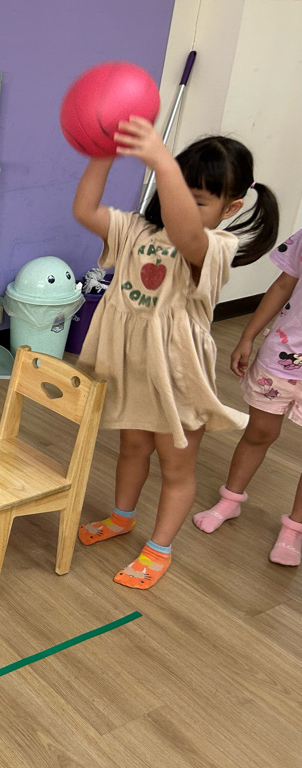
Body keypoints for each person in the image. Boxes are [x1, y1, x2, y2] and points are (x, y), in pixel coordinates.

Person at [71, 118, 279, 589]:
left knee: (176, 464)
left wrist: (163, 164)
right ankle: (122, 517)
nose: (174, 202)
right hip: (132, 368)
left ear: (231, 208)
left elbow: (187, 237)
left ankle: (160, 548)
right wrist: (102, 151)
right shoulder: (135, 231)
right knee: (132, 448)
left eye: (194, 199)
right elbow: (84, 209)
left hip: (178, 377)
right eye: (172, 190)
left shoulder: (215, 246)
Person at [193, 229, 302, 565]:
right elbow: (283, 286)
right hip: (280, 359)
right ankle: (230, 500)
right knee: (258, 433)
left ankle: (294, 529)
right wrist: (248, 335)